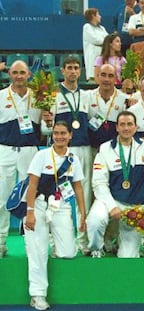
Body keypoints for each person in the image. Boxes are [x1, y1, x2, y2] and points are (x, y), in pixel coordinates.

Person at [24, 121, 86, 310]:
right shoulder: (41, 156)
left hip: (61, 206)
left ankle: (53, 242)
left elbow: (78, 187)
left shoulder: (73, 159)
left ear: (70, 136)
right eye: (56, 133)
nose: (59, 136)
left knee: (67, 252)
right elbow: (32, 184)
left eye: (63, 133)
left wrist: (83, 214)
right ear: (52, 135)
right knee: (37, 252)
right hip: (40, 205)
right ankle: (37, 294)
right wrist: (30, 212)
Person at [87, 111, 144, 258]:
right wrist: (112, 206)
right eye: (122, 124)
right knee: (96, 220)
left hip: (135, 206)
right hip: (111, 199)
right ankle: (96, 248)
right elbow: (98, 182)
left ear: (136, 127)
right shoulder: (105, 148)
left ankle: (120, 242)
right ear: (116, 127)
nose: (126, 128)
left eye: (130, 124)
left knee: (127, 257)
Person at [48, 56, 93, 254]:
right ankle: (54, 241)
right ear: (62, 71)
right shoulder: (54, 95)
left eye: (76, 68)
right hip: (60, 152)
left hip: (83, 149)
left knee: (84, 194)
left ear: (81, 71)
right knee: (56, 195)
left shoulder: (88, 96)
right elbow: (45, 127)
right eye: (69, 68)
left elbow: (93, 122)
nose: (73, 71)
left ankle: (83, 241)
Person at [0, 61, 43, 258]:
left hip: (30, 152)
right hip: (6, 150)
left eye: (22, 73)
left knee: (30, 197)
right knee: (2, 197)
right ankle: (1, 242)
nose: (18, 76)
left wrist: (49, 120)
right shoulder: (1, 97)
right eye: (15, 72)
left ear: (28, 75)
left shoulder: (39, 97)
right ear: (9, 74)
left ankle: (30, 242)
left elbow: (45, 130)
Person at [88, 64, 129, 150]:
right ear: (98, 76)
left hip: (115, 149)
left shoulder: (124, 99)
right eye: (103, 75)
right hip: (92, 148)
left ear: (115, 79)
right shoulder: (87, 96)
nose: (106, 79)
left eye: (110, 76)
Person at [82, 8, 108, 83]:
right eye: (98, 14)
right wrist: (105, 41)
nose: (100, 16)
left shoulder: (102, 28)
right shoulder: (87, 27)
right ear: (93, 16)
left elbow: (109, 39)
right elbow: (95, 40)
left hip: (103, 58)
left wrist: (105, 41)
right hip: (92, 62)